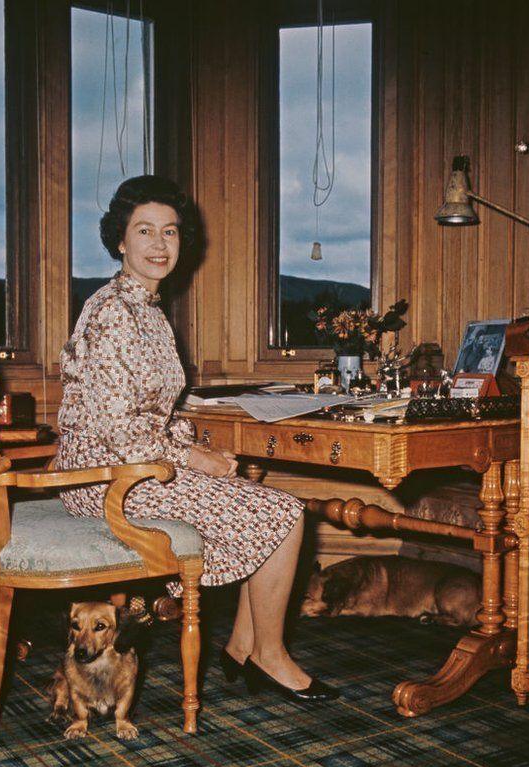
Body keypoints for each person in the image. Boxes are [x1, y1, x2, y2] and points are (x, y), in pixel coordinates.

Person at [55, 175, 337, 702]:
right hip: (105, 477)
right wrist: (191, 457)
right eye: (145, 231)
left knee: (270, 505)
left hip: (133, 462)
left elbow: (154, 412)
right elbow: (120, 428)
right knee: (285, 513)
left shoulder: (147, 310)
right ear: (120, 240)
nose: (160, 245)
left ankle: (241, 648)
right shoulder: (115, 312)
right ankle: (268, 657)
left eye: (171, 232)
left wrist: (196, 448)